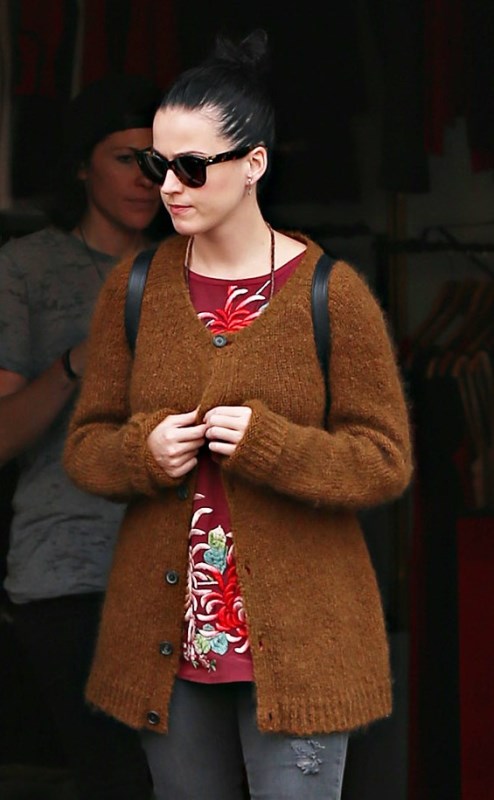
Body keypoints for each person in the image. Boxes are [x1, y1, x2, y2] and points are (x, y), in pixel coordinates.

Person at [63, 30, 413, 800]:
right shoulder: (135, 288)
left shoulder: (331, 293)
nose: (168, 187)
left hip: (302, 650)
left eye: (191, 167)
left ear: (254, 163)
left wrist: (274, 447)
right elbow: (85, 448)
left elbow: (385, 461)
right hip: (169, 650)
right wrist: (143, 453)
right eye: (156, 165)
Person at [0, 73, 170, 799]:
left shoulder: (197, 266)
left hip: (191, 573)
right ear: (82, 167)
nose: (147, 178)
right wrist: (77, 362)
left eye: (160, 161)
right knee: (121, 780)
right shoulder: (28, 268)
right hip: (72, 572)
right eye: (127, 158)